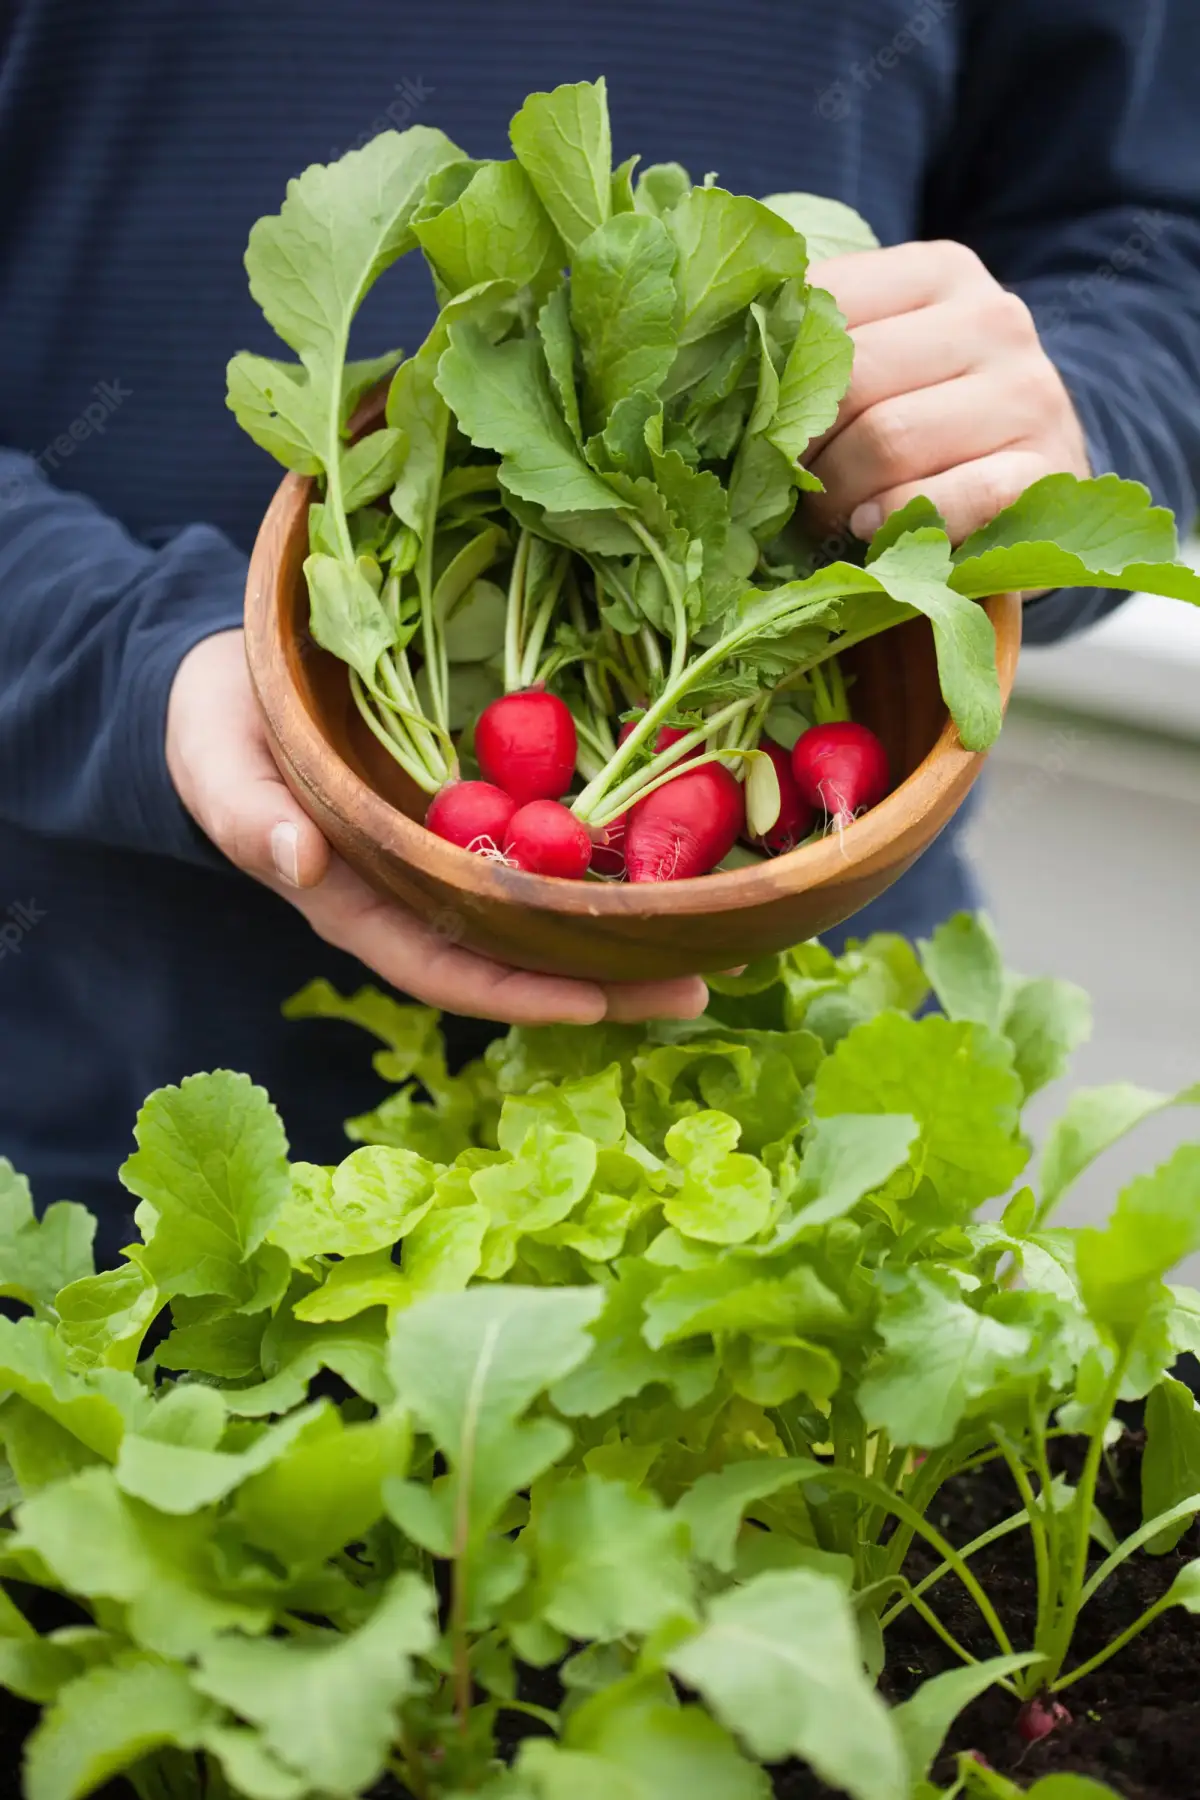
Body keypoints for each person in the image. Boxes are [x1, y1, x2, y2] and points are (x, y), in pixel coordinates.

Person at [1, 1, 1198, 1248]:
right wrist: (119, 656)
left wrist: (1035, 445)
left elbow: (1154, 243)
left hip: (800, 1105)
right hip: (115, 1126)